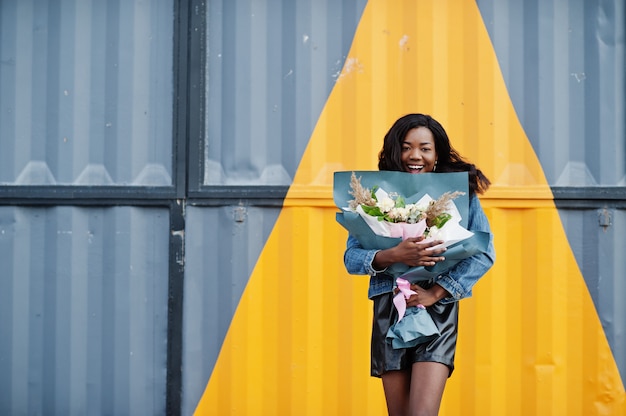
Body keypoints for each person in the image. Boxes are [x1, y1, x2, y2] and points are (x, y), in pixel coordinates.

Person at [343, 113, 495, 416]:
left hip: (437, 311)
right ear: (394, 151)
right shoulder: (374, 198)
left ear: (437, 154)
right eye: (406, 147)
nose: (415, 155)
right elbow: (351, 258)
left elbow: (483, 252)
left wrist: (436, 292)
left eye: (425, 148)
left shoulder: (461, 196)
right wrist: (395, 255)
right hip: (391, 305)